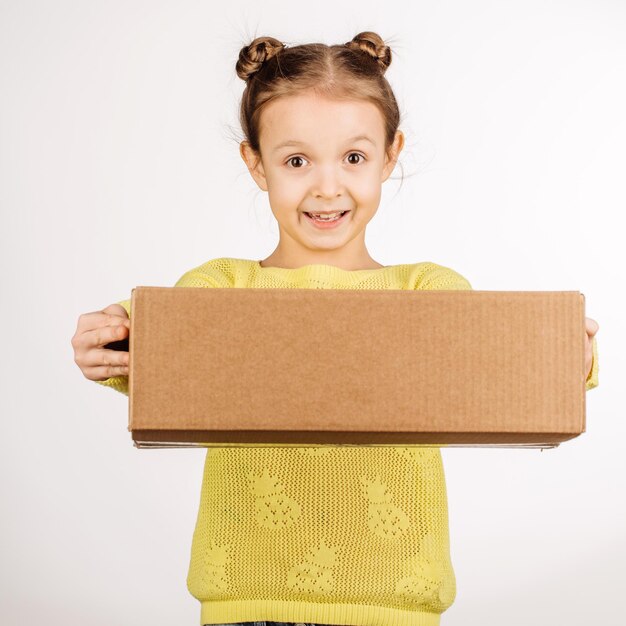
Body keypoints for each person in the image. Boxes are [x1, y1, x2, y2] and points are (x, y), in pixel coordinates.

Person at [71, 31, 600, 626]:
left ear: (390, 155)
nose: (327, 187)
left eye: (353, 158)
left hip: (394, 602)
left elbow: (490, 368)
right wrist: (113, 343)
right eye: (297, 161)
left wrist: (562, 357)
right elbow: (158, 347)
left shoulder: (427, 292)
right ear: (255, 163)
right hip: (246, 597)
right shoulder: (221, 289)